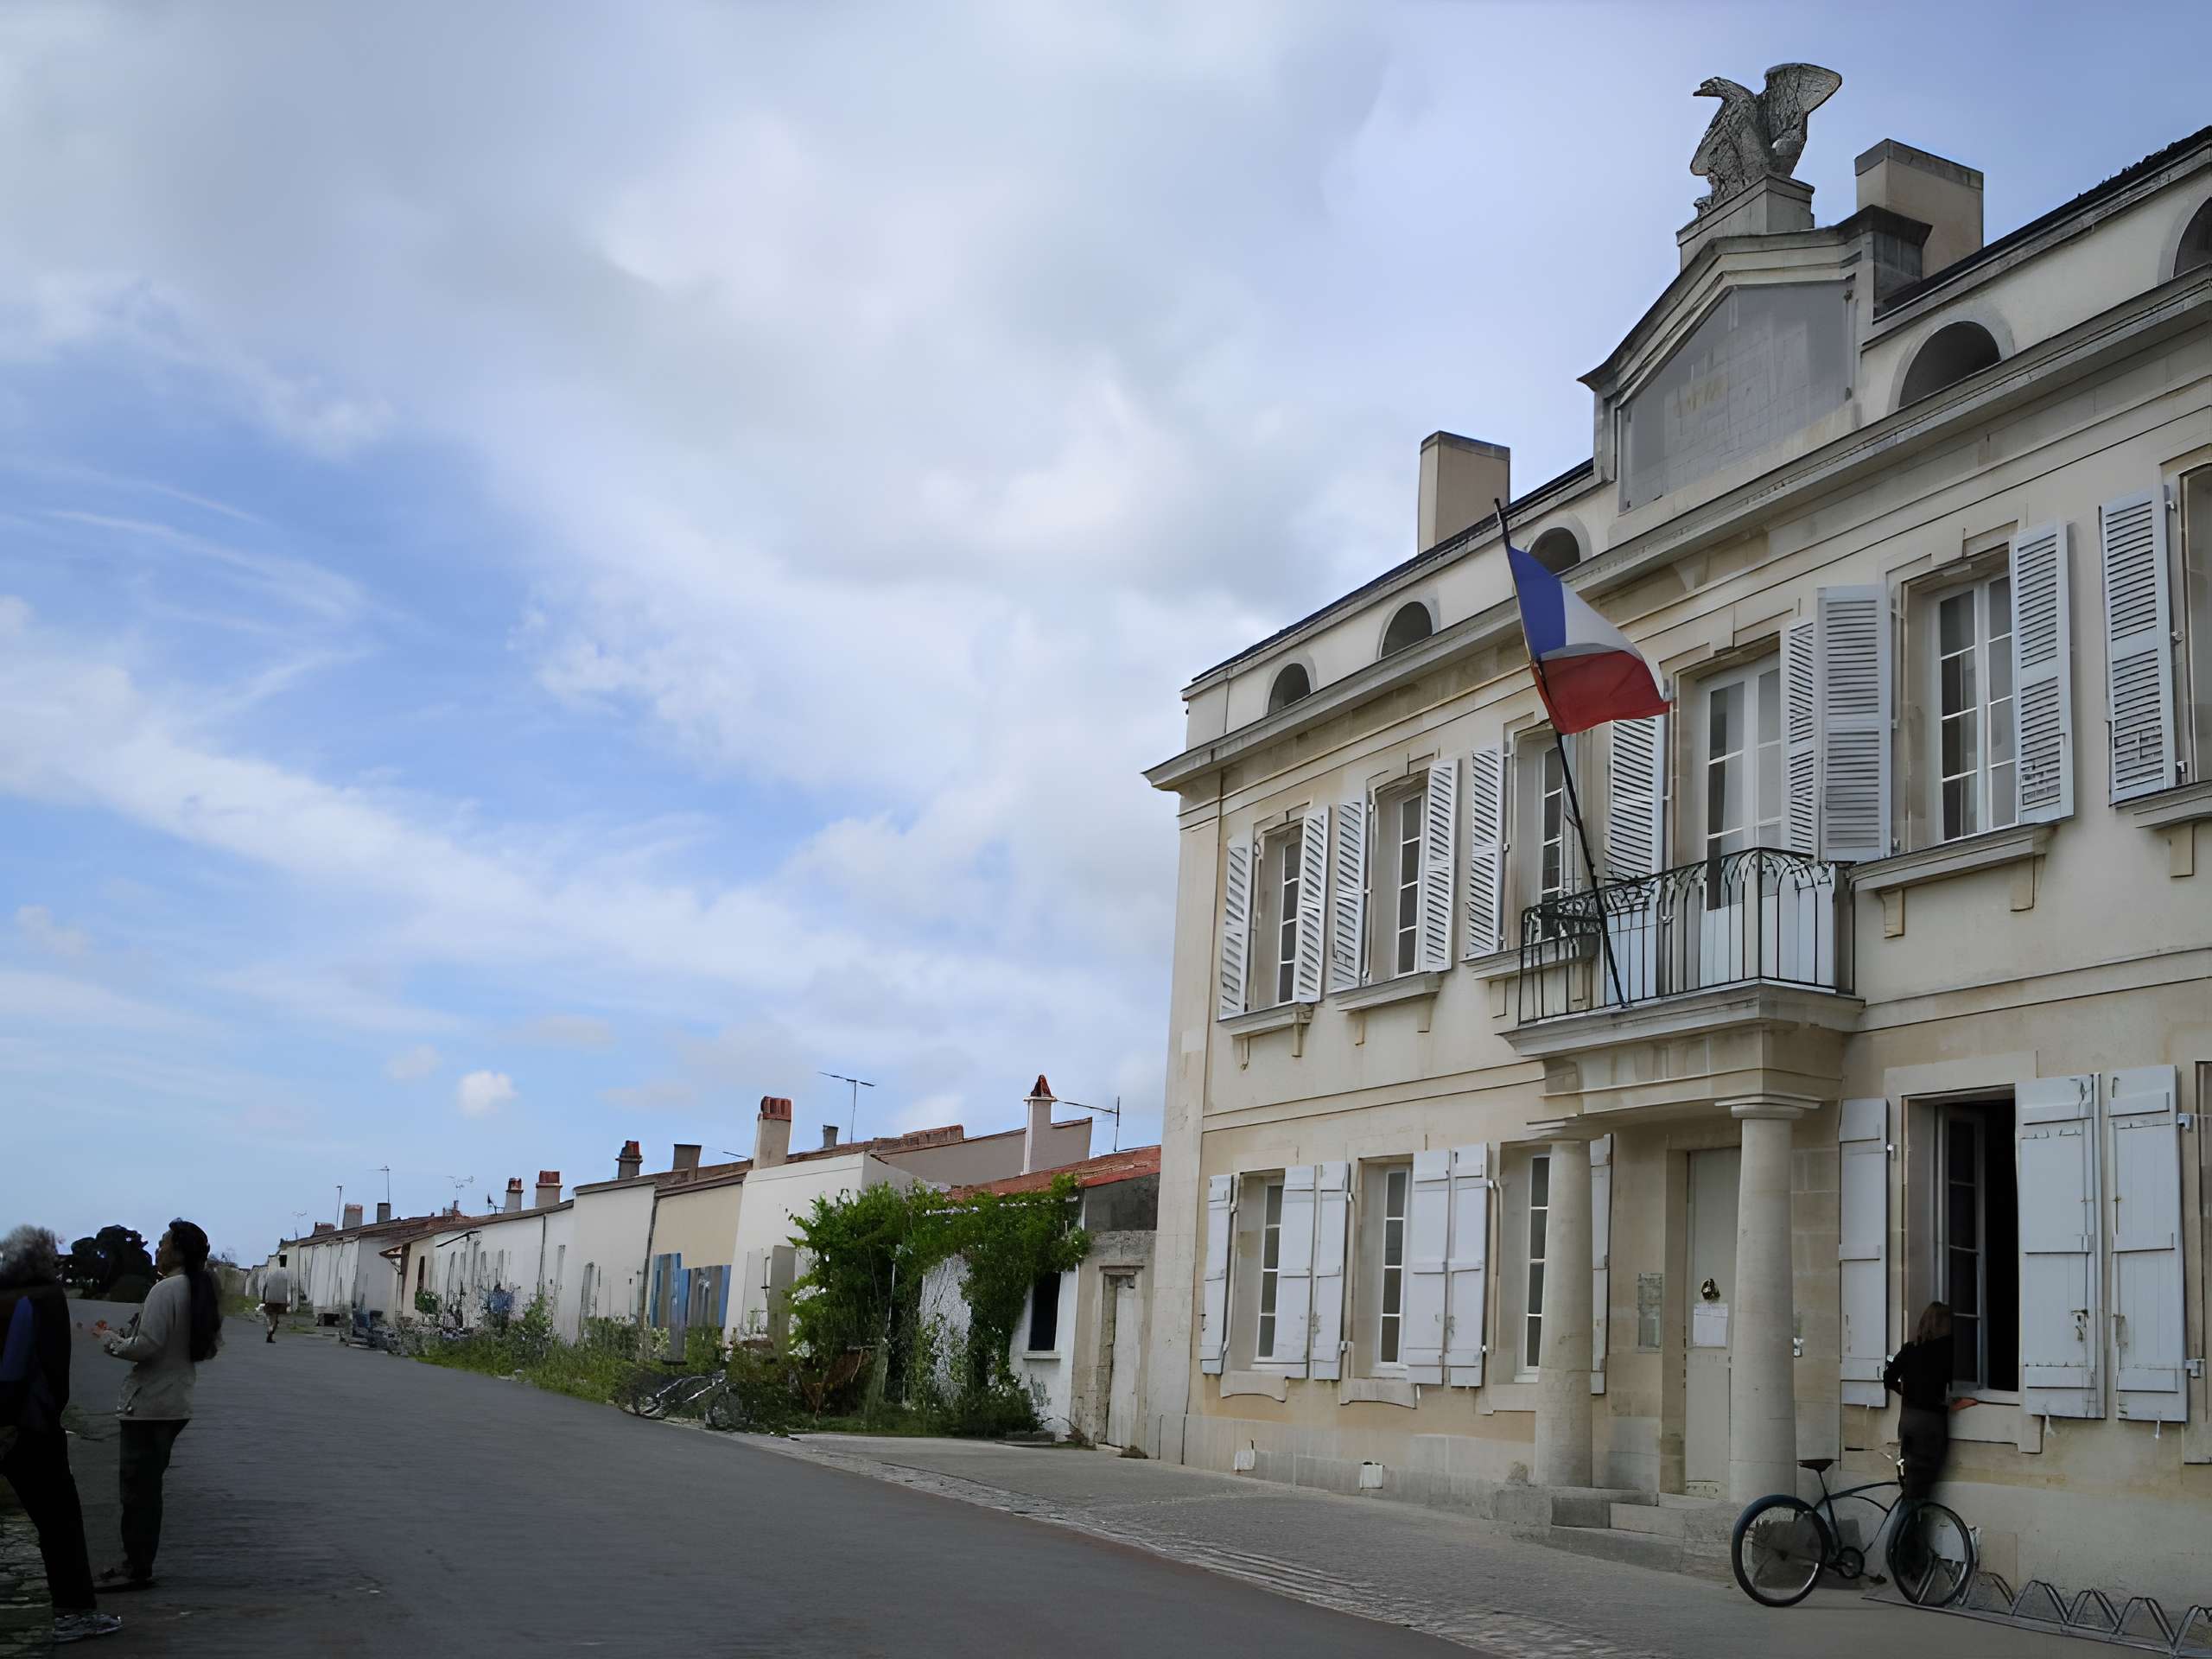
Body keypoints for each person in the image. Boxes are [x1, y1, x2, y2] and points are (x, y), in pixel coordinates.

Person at [0, 1224, 122, 1643]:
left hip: (17, 1423)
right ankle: (74, 1613)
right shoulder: (42, 1299)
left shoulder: (8, 1296)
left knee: (53, 1519)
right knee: (60, 1521)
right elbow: (16, 1367)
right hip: (30, 1426)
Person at [97, 1218, 222, 1593]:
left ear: (179, 1251)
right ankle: (137, 1563)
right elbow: (208, 1346)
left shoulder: (166, 1290)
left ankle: (136, 1567)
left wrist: (111, 1341)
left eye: (165, 1243)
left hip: (148, 1403)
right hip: (176, 1400)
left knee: (137, 1493)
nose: (159, 1249)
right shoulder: (201, 1289)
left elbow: (147, 1346)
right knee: (148, 1490)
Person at [1878, 1300, 1977, 1586]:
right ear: (1945, 1324)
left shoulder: (1910, 1349)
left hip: (1907, 1421)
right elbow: (1953, 1387)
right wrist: (1946, 1404)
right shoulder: (1947, 1350)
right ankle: (1904, 1557)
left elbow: (1888, 1378)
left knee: (1912, 1489)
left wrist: (1909, 1393)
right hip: (1929, 1426)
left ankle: (1905, 1556)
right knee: (1917, 1497)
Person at [260, 1254, 293, 1343]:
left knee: (271, 1318)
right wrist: (289, 1301)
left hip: (269, 1300)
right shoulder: (287, 1274)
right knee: (275, 1319)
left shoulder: (271, 1273)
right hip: (280, 1301)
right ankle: (270, 1331)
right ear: (286, 1262)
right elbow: (290, 1288)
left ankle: (270, 1330)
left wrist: (263, 1300)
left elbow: (264, 1287)